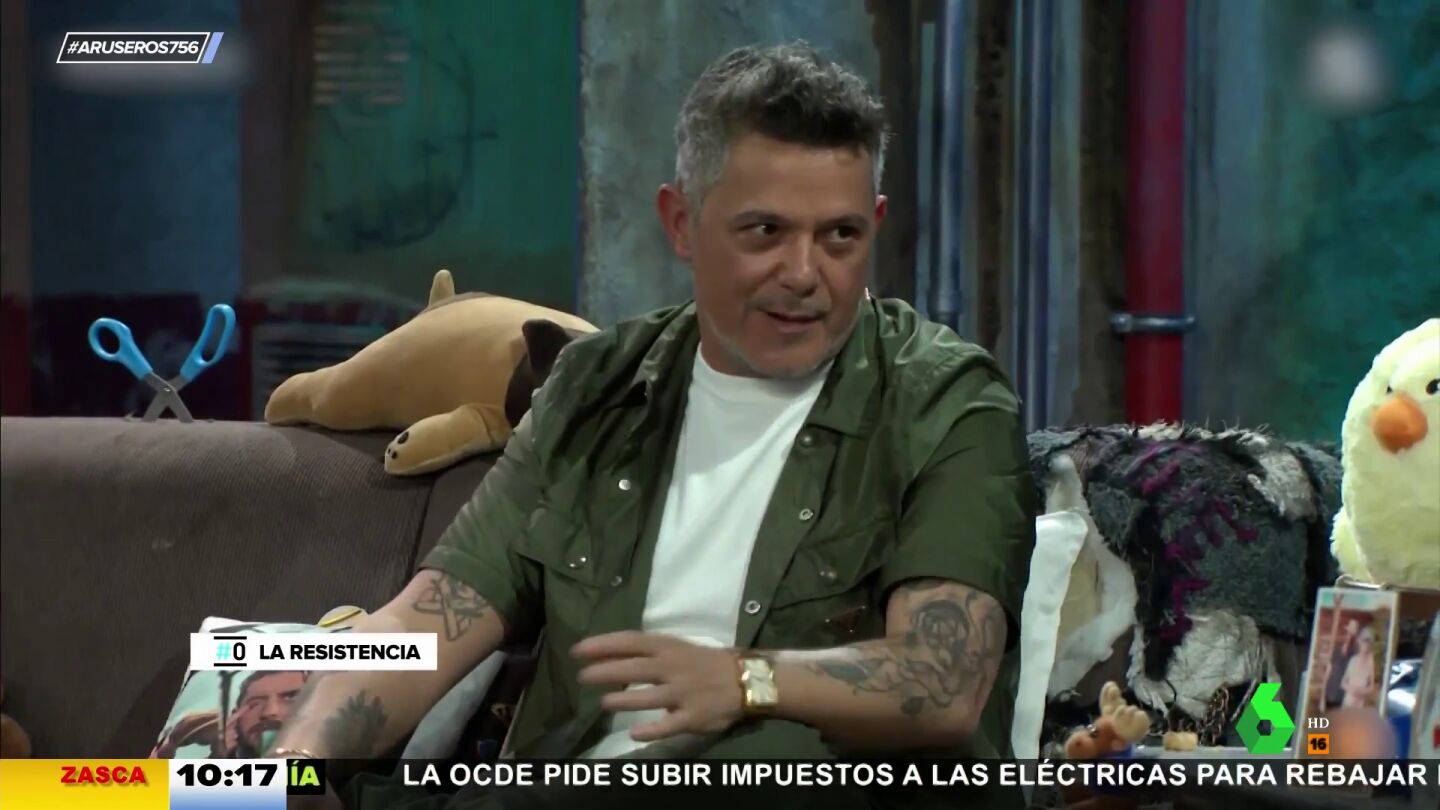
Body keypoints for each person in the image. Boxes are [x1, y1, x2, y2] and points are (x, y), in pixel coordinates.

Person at [270, 41, 1036, 809]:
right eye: (765, 232)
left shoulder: (945, 401)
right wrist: (292, 768)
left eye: (840, 235)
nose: (805, 274)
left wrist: (745, 680)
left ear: (876, 224)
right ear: (681, 223)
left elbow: (945, 682)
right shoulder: (593, 388)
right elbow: (429, 622)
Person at [1341, 624, 1378, 709]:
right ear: (1359, 642)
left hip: (1360, 704)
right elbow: (1343, 683)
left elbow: (1371, 687)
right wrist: (1351, 690)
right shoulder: (1353, 660)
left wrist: (1360, 692)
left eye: (1368, 642)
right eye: (1363, 642)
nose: (1365, 645)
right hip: (1348, 701)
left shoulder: (1371, 662)